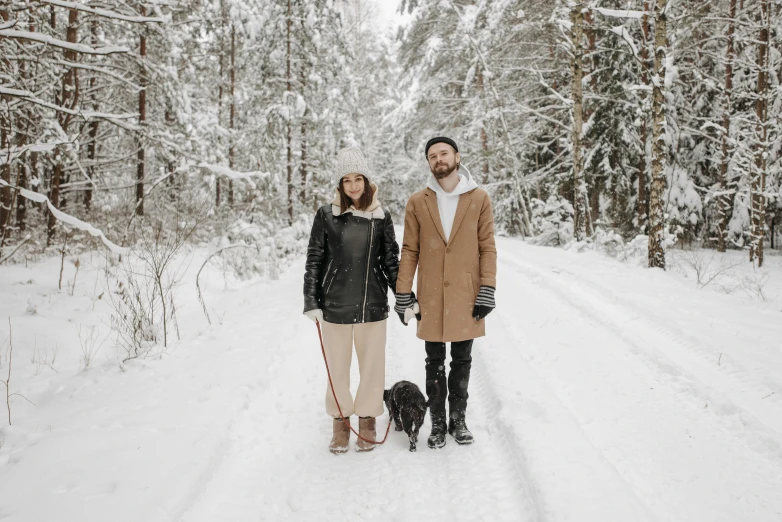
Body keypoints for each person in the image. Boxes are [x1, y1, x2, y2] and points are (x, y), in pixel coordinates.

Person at [394, 136, 497, 449]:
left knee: (462, 361)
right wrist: (403, 293)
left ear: (457, 156)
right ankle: (438, 424)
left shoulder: (479, 199)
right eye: (432, 156)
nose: (438, 159)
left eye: (444, 153)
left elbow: (487, 247)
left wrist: (487, 289)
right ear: (428, 163)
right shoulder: (417, 201)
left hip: (466, 294)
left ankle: (458, 421)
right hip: (431, 294)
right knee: (434, 361)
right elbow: (410, 249)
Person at [303, 146, 400, 454]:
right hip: (334, 307)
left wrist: (405, 297)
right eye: (347, 180)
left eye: (359, 178)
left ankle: (368, 420)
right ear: (340, 185)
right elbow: (314, 260)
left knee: (373, 368)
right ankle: (341, 422)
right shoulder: (326, 215)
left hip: (372, 305)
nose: (354, 185)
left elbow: (391, 262)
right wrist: (311, 300)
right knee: (338, 369)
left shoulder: (380, 217)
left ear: (367, 180)